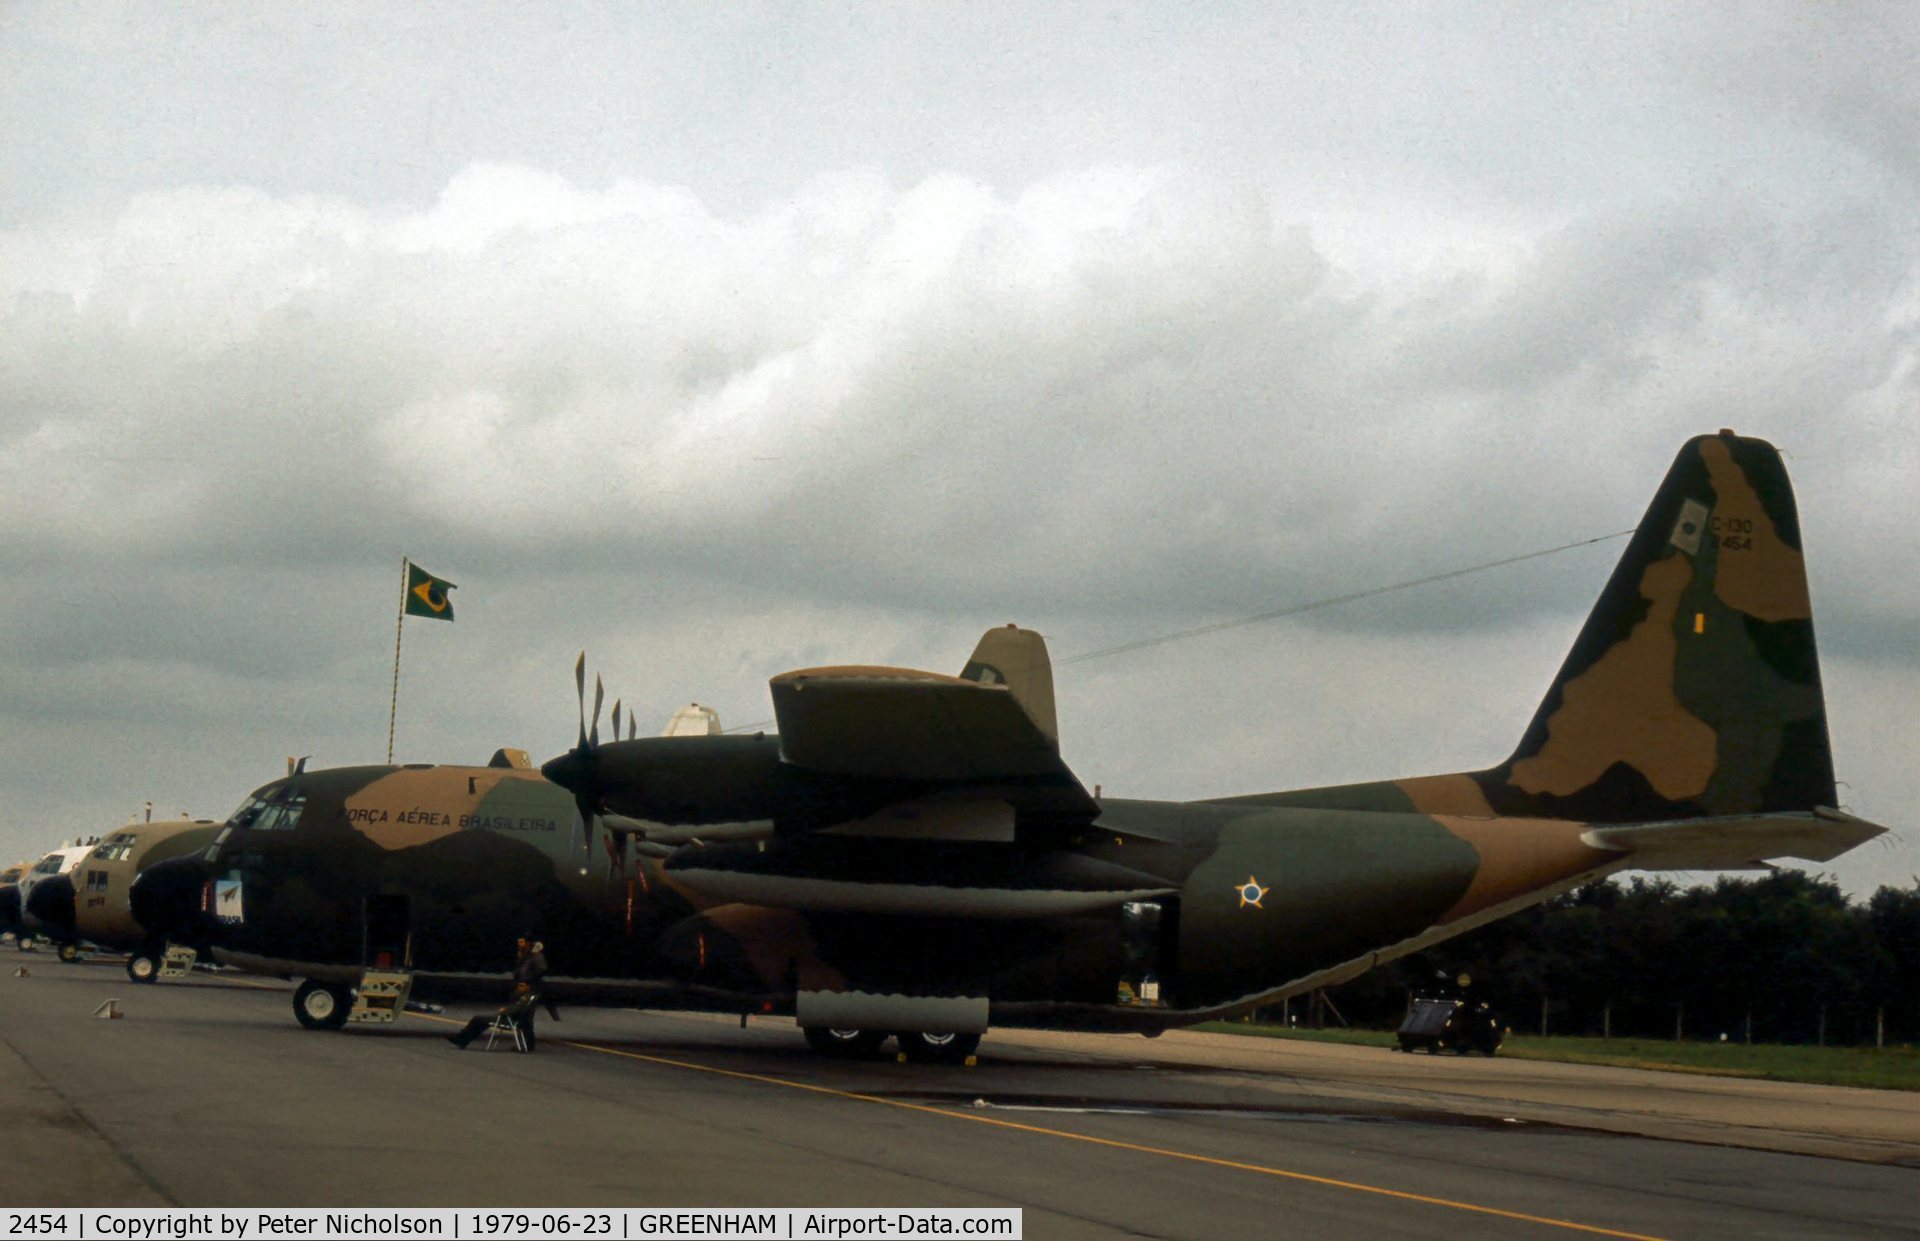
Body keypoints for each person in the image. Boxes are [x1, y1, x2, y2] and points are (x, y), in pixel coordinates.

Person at [448, 935, 550, 1052]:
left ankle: (462, 1038)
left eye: (522, 942)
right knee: (526, 1020)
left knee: (525, 1016)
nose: (519, 944)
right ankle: (528, 1045)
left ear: (528, 943)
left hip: (524, 994)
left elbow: (540, 970)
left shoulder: (536, 957)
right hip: (521, 994)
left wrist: (525, 981)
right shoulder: (525, 955)